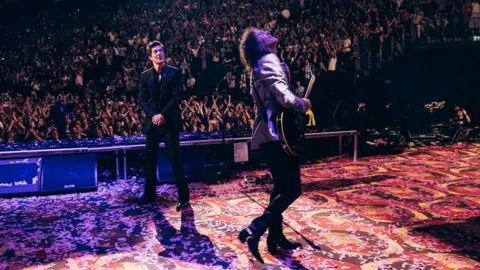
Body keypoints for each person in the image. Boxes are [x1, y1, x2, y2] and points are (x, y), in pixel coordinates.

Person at [237, 27, 312, 263]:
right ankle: (256, 228)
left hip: (268, 137)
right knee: (293, 189)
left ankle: (275, 238)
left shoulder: (258, 66)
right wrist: (304, 103)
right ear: (259, 45)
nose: (266, 30)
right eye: (261, 32)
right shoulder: (269, 60)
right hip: (278, 136)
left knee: (280, 187)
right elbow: (285, 99)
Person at [135, 41, 190, 211]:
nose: (159, 54)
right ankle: (149, 194)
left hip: (169, 123)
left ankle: (183, 198)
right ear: (150, 56)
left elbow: (177, 97)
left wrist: (163, 115)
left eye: (161, 51)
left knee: (175, 160)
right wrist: (154, 116)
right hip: (153, 124)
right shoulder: (145, 76)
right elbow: (142, 100)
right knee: (149, 160)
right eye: (155, 52)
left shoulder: (174, 73)